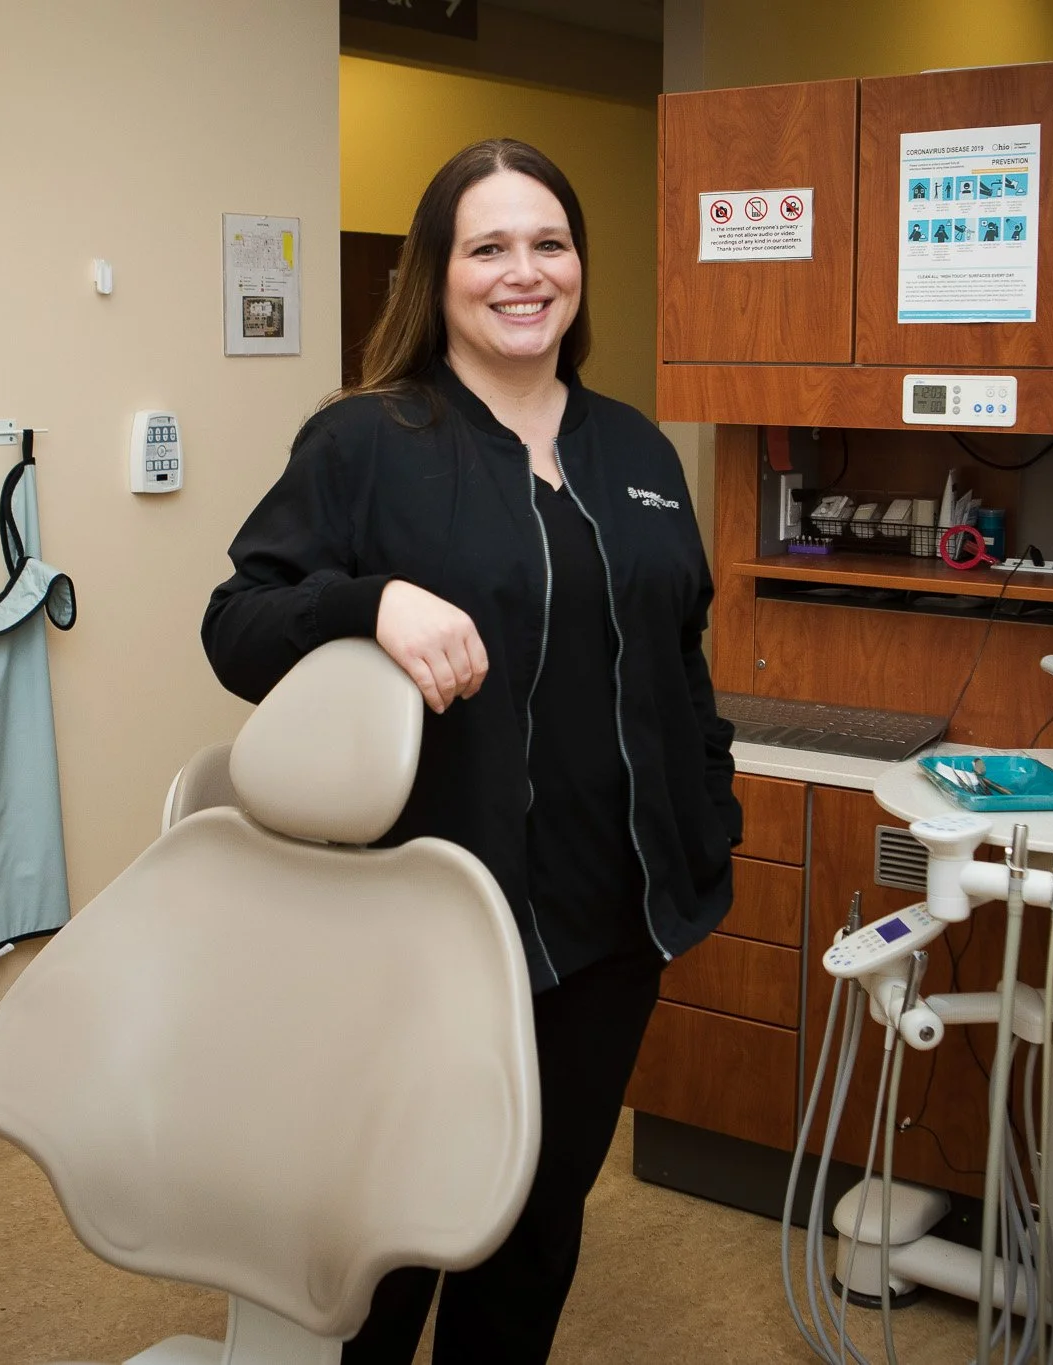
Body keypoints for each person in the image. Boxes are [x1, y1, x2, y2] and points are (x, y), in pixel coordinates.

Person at [201, 137, 742, 1364]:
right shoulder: (366, 442)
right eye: (486, 246)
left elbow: (680, 654)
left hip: (612, 921)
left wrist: (710, 805)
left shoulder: (637, 452)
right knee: (396, 1235)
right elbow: (234, 627)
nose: (522, 272)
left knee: (538, 1225)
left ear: (581, 269)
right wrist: (368, 602)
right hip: (434, 919)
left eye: (547, 244)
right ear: (436, 275)